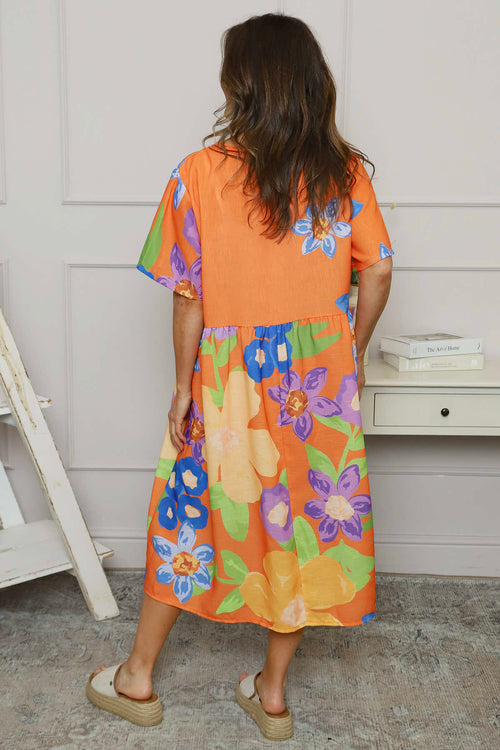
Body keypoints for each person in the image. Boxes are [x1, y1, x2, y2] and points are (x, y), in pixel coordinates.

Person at [85, 11, 394, 742]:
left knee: (187, 515)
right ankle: (272, 694)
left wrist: (182, 388)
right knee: (302, 526)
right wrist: (348, 351)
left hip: (229, 381)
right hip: (316, 383)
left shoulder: (198, 173)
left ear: (241, 85)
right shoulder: (343, 172)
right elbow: (378, 270)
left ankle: (137, 678)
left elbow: (188, 296)